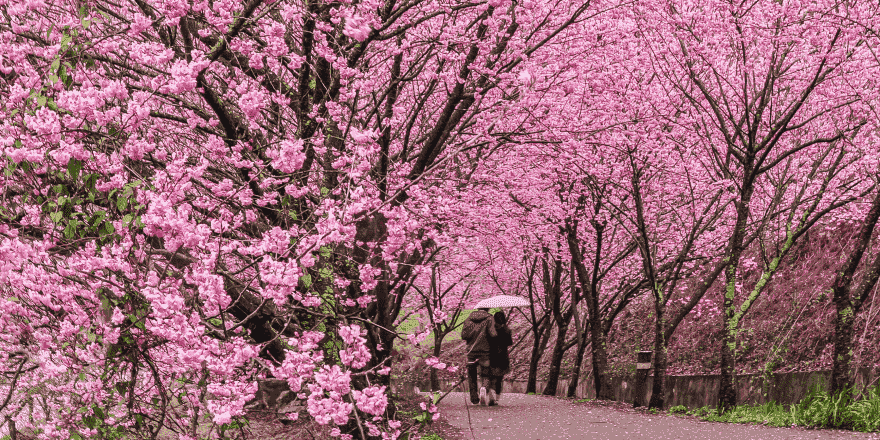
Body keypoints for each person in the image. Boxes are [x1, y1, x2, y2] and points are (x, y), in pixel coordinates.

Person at [461, 307, 496, 405]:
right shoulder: (490, 318)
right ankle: (483, 389)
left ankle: (474, 398)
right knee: (485, 373)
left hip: (471, 352)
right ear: (488, 309)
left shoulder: (468, 319)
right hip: (485, 351)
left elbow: (464, 336)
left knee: (471, 375)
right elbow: (492, 334)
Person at [487, 310, 513, 406]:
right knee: (499, 379)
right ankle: (497, 399)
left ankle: (491, 396)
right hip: (503, 357)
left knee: (490, 377)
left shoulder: (491, 330)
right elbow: (510, 343)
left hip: (492, 356)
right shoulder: (507, 330)